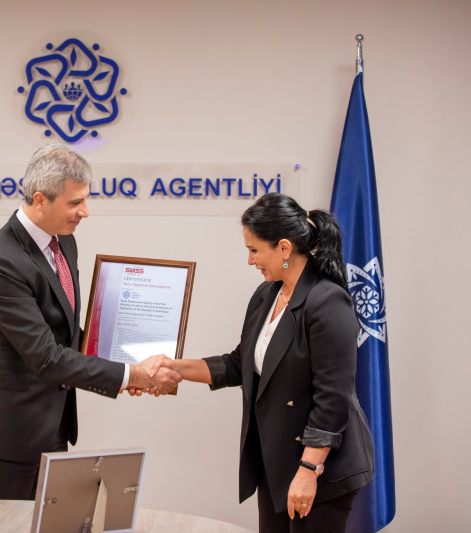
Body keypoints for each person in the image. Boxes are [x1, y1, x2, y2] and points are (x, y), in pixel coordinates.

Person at [0, 144, 181, 500]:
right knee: (0, 525)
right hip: (6, 437)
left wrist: (129, 365)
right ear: (40, 200)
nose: (85, 212)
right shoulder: (1, 263)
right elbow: (46, 356)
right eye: (75, 203)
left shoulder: (63, 243)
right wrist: (132, 375)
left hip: (52, 425)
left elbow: (67, 334)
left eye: (85, 200)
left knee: (50, 523)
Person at [147, 193, 374, 532]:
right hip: (277, 460)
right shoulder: (267, 294)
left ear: (284, 248)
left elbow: (334, 399)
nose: (250, 260)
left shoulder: (327, 301)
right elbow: (239, 364)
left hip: (321, 468)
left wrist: (309, 471)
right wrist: (175, 368)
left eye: (254, 250)